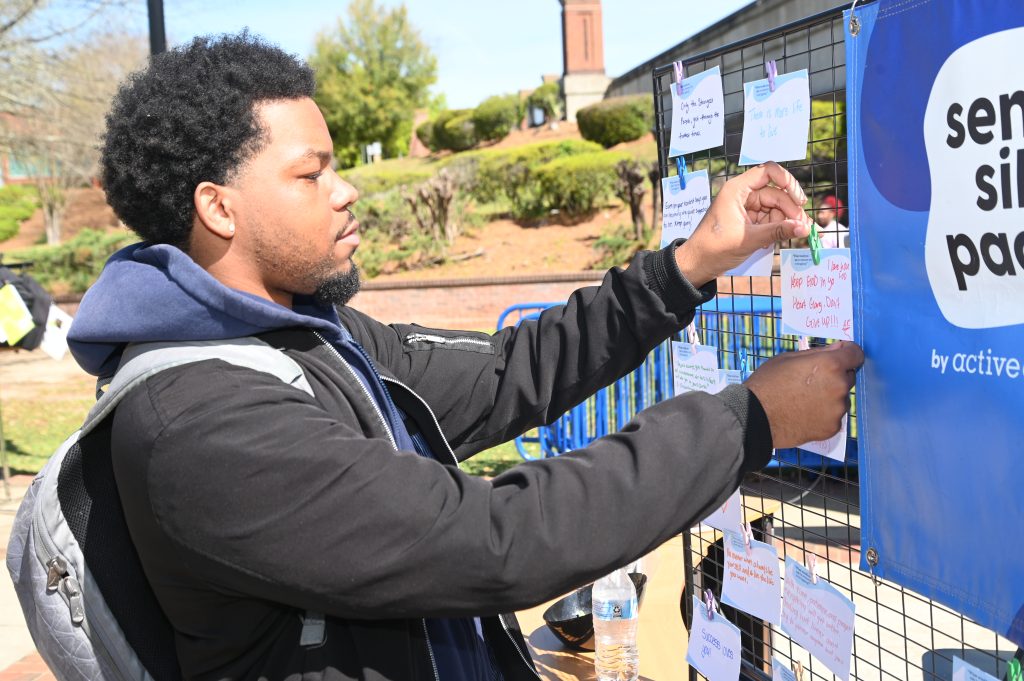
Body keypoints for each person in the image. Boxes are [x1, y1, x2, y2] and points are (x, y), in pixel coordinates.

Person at [67, 33, 863, 681]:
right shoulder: (199, 423)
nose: (346, 191)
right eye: (312, 174)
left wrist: (690, 263)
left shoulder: (304, 332)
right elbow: (493, 540)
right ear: (218, 206)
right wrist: (747, 422)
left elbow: (504, 372)